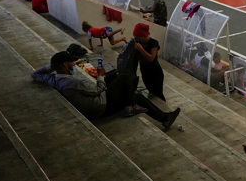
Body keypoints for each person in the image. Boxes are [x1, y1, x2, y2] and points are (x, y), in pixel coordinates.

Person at [32, 50, 180, 129]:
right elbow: (97, 90)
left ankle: (162, 117)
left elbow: (35, 74)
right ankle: (130, 105)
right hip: (100, 106)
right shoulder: (73, 82)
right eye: (72, 63)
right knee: (124, 77)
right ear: (65, 65)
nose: (74, 65)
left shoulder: (52, 78)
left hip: (93, 104)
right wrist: (100, 76)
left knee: (130, 89)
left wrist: (53, 66)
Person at [131, 23, 166, 101]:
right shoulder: (140, 42)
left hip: (155, 72)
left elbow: (151, 58)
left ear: (145, 35)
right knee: (151, 92)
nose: (138, 39)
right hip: (145, 71)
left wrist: (141, 49)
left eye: (139, 37)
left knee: (158, 93)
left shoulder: (154, 43)